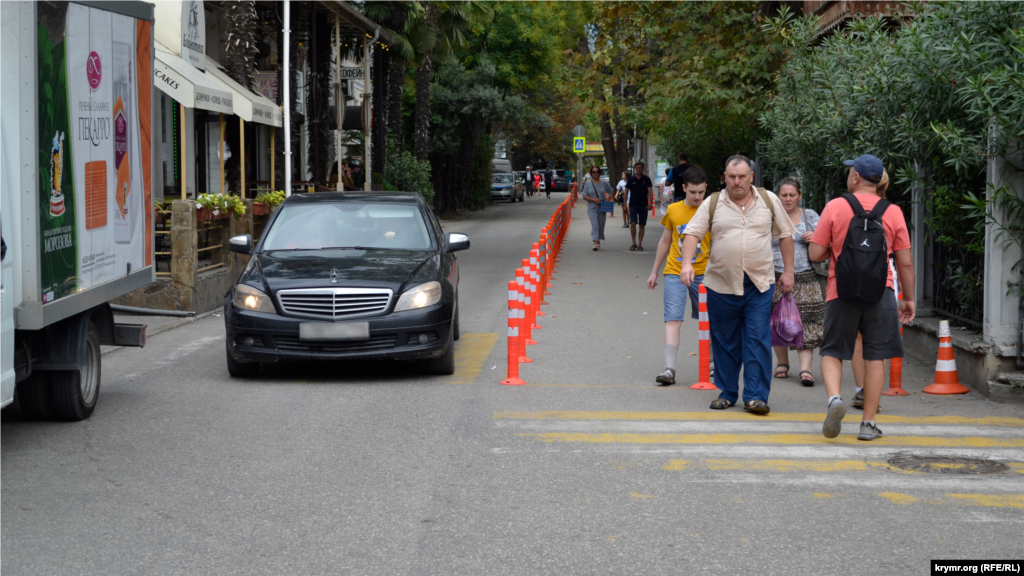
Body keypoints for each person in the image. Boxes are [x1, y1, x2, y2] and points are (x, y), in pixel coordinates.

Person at [678, 155, 797, 414]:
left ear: (751, 176)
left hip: (759, 284)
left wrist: (789, 271)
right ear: (725, 177)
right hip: (721, 284)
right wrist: (687, 263)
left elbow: (786, 236)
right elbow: (692, 233)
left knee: (757, 339)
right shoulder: (713, 202)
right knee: (725, 341)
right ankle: (728, 392)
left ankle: (755, 396)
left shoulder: (768, 200)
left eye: (742, 176)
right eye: (731, 177)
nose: (737, 182)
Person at [809, 154, 916, 441]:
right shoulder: (893, 211)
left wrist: (836, 246)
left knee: (832, 351)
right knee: (876, 355)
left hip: (840, 291)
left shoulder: (836, 206)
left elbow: (815, 253)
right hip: (881, 292)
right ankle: (868, 424)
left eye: (850, 172)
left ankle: (835, 400)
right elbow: (905, 262)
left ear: (856, 177)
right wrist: (908, 299)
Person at [647, 166, 714, 385]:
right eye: (693, 191)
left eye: (701, 192)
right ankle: (669, 369)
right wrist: (655, 271)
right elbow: (665, 241)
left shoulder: (711, 210)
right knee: (673, 318)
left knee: (710, 319)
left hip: (704, 273)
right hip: (675, 271)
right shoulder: (674, 210)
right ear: (684, 188)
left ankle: (712, 363)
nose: (697, 196)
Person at [769, 177, 824, 387]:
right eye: (784, 195)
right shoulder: (770, 216)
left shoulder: (809, 216)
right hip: (775, 275)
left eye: (792, 195)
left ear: (799, 196)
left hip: (805, 275)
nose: (788, 199)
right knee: (778, 320)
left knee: (807, 321)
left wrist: (815, 237)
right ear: (778, 197)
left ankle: (805, 368)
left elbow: (826, 240)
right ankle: (782, 363)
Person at [850, 168, 892, 411]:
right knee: (877, 343)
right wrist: (908, 297)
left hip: (850, 282)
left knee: (857, 338)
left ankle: (861, 390)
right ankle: (872, 399)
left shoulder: (843, 206)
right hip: (883, 282)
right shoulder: (891, 211)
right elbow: (904, 257)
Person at [580, 166, 615, 250]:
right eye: (594, 172)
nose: (596, 173)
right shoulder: (588, 183)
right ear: (591, 173)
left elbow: (612, 191)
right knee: (595, 224)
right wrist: (593, 200)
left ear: (600, 173)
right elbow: (584, 196)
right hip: (592, 207)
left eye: (597, 172)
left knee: (601, 225)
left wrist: (608, 198)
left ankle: (598, 242)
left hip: (602, 206)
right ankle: (595, 243)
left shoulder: (604, 182)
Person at [626, 162, 654, 251]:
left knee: (642, 224)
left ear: (643, 168)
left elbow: (650, 191)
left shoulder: (646, 179)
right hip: (633, 204)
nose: (638, 169)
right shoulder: (631, 179)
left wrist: (651, 203)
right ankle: (633, 242)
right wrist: (625, 204)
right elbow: (626, 192)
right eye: (637, 167)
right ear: (635, 168)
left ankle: (639, 243)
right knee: (633, 223)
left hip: (643, 205)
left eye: (640, 167)